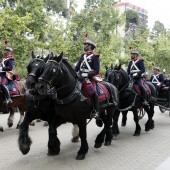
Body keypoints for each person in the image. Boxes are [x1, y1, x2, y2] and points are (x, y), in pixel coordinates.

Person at [75, 38, 100, 119]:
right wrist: (74, 73)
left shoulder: (95, 57)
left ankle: (96, 111)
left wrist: (86, 74)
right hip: (79, 76)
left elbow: (96, 71)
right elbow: (77, 67)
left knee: (93, 92)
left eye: (85, 45)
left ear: (90, 46)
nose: (84, 46)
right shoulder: (82, 56)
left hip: (89, 78)